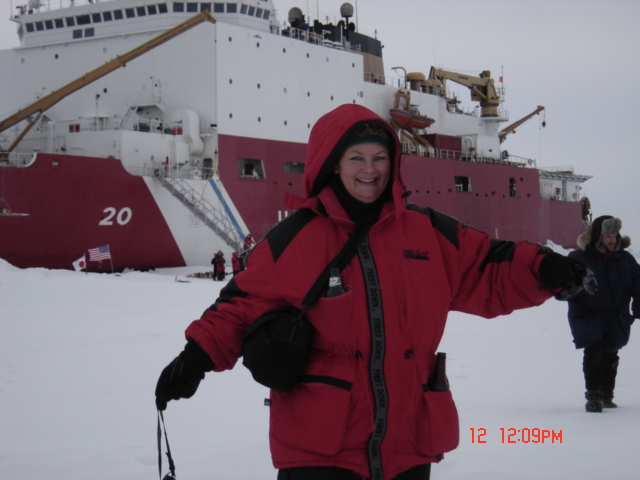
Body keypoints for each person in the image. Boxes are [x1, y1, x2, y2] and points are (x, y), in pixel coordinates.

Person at [155, 104, 594, 480]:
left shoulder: (426, 232)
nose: (370, 169)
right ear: (333, 164)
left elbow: (488, 267)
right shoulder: (295, 238)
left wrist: (548, 269)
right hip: (322, 450)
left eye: (380, 157)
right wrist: (196, 357)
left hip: (408, 442)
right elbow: (240, 306)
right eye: (357, 158)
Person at [566, 215, 640, 412]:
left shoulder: (625, 259)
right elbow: (563, 284)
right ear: (598, 236)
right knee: (594, 352)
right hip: (588, 314)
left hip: (617, 315)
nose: (612, 240)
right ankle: (594, 396)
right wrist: (574, 292)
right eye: (608, 236)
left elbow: (638, 281)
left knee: (611, 353)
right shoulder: (579, 258)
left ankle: (607, 395)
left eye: (614, 236)